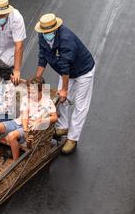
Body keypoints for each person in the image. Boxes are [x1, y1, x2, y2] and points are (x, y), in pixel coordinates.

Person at [35, 13, 96, 154]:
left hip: (83, 71)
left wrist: (65, 90)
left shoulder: (66, 40)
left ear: (55, 29)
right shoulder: (42, 35)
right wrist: (36, 79)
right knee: (61, 99)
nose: (47, 34)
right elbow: (42, 55)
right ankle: (62, 126)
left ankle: (73, 138)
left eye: (49, 32)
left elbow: (65, 67)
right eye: (45, 32)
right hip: (65, 71)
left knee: (80, 104)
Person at [0, 76, 58, 166]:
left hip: (32, 127)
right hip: (21, 122)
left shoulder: (47, 102)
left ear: (41, 90)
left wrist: (42, 120)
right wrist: (25, 130)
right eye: (28, 92)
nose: (30, 95)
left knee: (11, 136)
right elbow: (24, 115)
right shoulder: (26, 98)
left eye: (33, 93)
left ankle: (15, 162)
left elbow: (54, 117)